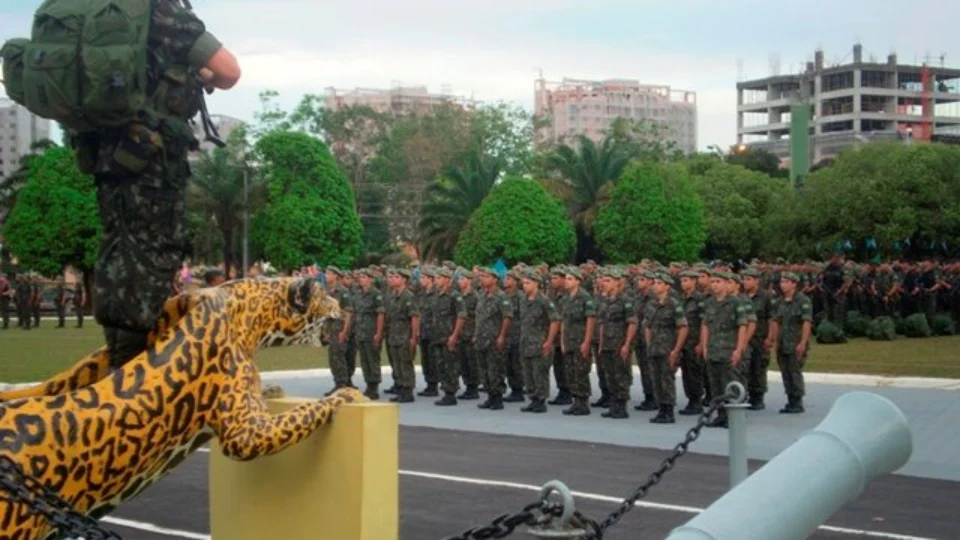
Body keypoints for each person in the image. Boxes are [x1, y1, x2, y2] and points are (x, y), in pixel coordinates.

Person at [89, 1, 240, 369]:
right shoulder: (161, 10)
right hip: (151, 157)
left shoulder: (97, 12)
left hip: (106, 155)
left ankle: (118, 362)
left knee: (119, 250)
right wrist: (202, 76)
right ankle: (132, 376)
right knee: (153, 254)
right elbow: (228, 71)